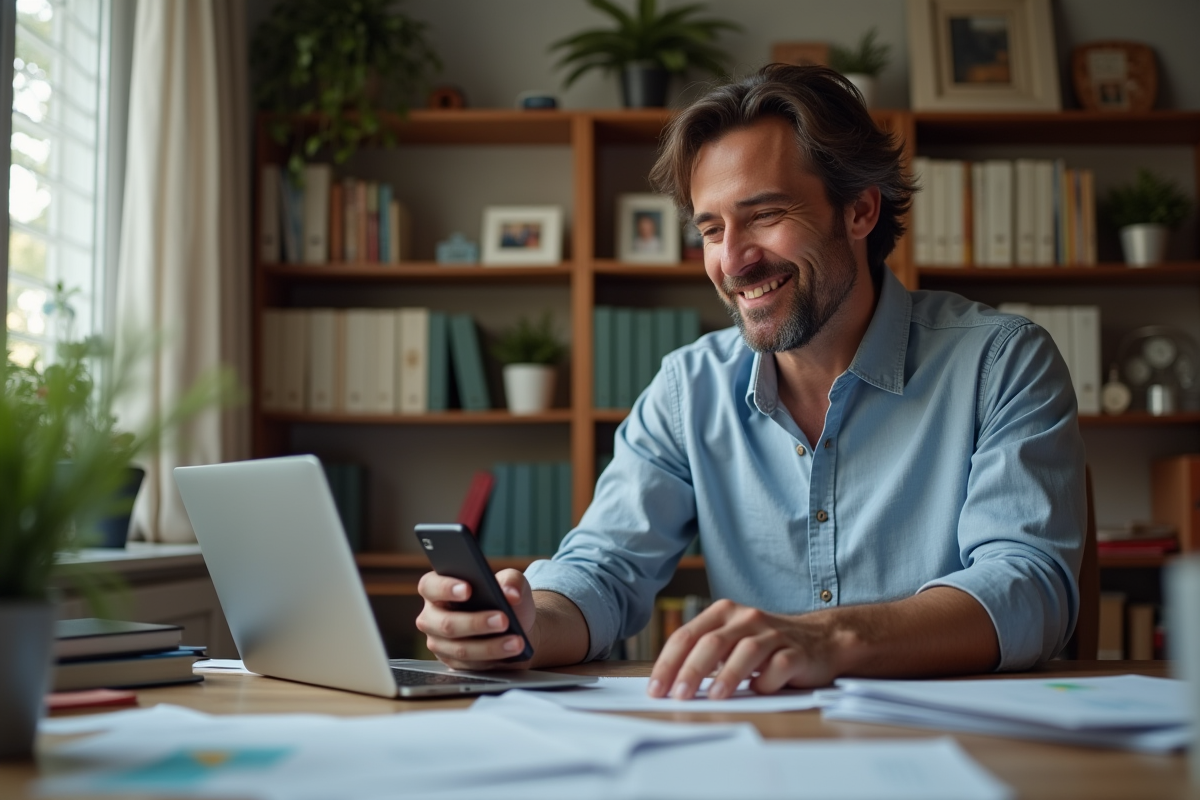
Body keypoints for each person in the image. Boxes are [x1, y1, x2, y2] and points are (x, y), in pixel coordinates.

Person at [417, 64, 1085, 700]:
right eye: (711, 229)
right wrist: (520, 625)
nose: (732, 261)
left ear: (859, 211)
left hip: (958, 747)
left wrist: (830, 638)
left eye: (764, 215)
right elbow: (604, 572)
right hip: (759, 746)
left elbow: (1029, 588)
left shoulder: (1002, 362)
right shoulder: (687, 389)